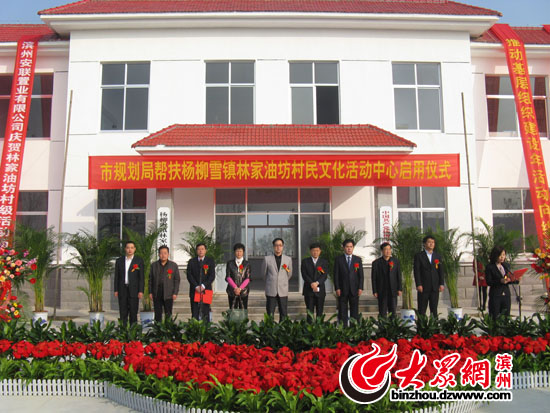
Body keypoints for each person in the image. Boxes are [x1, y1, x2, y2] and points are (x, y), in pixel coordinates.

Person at [333, 238, 364, 326]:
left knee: (354, 310)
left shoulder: (357, 260)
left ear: (353, 247)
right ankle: (344, 329)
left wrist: (360, 287)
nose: (349, 248)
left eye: (351, 246)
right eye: (347, 247)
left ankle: (354, 329)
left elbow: (361, 275)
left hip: (354, 289)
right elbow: (336, 275)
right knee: (342, 310)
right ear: (343, 248)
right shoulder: (338, 259)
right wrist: (337, 288)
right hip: (342, 289)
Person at [114, 240, 144, 325]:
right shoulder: (119, 261)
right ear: (125, 249)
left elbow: (141, 277)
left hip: (134, 290)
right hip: (122, 289)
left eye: (132, 248)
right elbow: (117, 276)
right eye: (128, 248)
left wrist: (141, 290)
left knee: (133, 312)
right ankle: (123, 330)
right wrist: (116, 289)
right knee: (123, 312)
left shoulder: (139, 260)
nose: (130, 250)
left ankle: (133, 330)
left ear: (134, 249)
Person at [261, 238, 292, 320]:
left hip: (283, 290)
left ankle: (282, 327)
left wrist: (282, 281)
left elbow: (289, 273)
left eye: (280, 245)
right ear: (273, 247)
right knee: (270, 312)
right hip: (271, 289)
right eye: (276, 245)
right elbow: (264, 274)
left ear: (283, 247)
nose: (278, 247)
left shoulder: (288, 259)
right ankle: (270, 328)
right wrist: (271, 281)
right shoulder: (267, 259)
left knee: (283, 312)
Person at [413, 235, 444, 317]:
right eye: (429, 242)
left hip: (435, 287)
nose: (431, 244)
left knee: (434, 309)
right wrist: (418, 284)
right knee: (422, 309)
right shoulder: (419, 256)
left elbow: (441, 271)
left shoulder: (437, 256)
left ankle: (434, 325)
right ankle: (421, 325)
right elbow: (417, 271)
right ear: (424, 244)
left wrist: (441, 283)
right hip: (423, 287)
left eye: (433, 242)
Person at [149, 245, 180, 322]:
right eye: (161, 253)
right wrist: (150, 292)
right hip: (157, 292)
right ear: (158, 254)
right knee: (157, 314)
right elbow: (150, 280)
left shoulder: (173, 265)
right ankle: (158, 328)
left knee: (168, 313)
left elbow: (177, 280)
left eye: (165, 253)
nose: (163, 255)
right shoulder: (154, 265)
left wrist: (175, 293)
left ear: (168, 254)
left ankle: (168, 328)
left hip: (169, 293)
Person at [485, 246, 518, 319]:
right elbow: (489, 282)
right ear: (495, 255)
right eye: (500, 255)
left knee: (506, 316)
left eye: (503, 255)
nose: (502, 257)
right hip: (496, 295)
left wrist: (515, 279)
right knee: (495, 316)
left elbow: (507, 278)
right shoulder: (490, 267)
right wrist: (500, 281)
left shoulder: (506, 265)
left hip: (506, 294)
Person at [371, 242, 402, 318]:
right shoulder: (376, 263)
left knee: (393, 311)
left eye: (389, 249)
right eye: (386, 249)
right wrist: (375, 291)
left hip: (393, 290)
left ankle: (393, 325)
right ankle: (382, 325)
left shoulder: (395, 261)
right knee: (382, 311)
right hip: (382, 290)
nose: (388, 251)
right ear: (382, 251)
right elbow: (374, 278)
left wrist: (399, 289)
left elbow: (399, 276)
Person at [186, 243, 216, 320]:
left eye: (202, 249)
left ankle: (205, 327)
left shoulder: (210, 261)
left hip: (206, 290)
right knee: (195, 312)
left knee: (206, 312)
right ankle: (195, 326)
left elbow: (212, 276)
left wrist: (203, 285)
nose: (201, 251)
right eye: (199, 249)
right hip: (195, 290)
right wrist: (196, 286)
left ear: (205, 250)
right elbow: (189, 275)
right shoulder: (191, 261)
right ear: (196, 251)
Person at [300, 242, 329, 321]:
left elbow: (324, 275)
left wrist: (317, 283)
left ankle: (319, 326)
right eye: (313, 250)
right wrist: (311, 283)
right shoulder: (305, 261)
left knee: (320, 311)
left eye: (317, 250)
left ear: (320, 251)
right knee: (309, 312)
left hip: (320, 290)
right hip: (309, 290)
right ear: (310, 251)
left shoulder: (324, 262)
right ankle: (309, 327)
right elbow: (304, 274)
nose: (315, 252)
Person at [225, 243, 251, 310]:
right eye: (237, 251)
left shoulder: (247, 264)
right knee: (233, 310)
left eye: (240, 251)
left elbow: (248, 278)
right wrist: (235, 288)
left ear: (243, 252)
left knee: (243, 310)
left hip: (244, 291)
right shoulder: (230, 263)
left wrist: (240, 289)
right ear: (234, 252)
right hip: (232, 291)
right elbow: (228, 277)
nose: (239, 253)